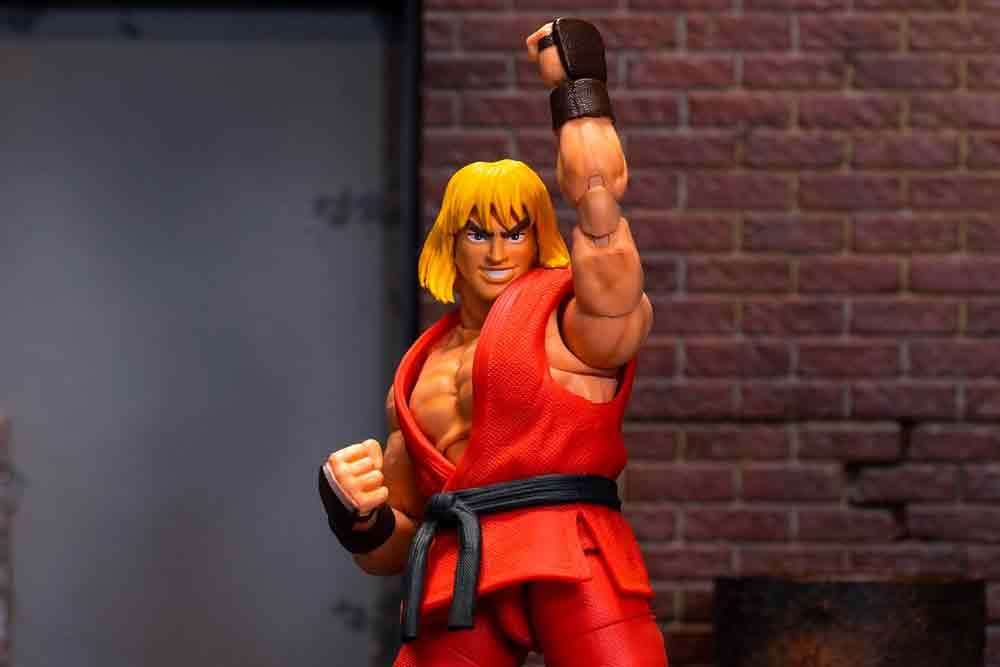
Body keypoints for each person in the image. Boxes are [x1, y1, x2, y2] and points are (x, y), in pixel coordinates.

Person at [318, 18, 668, 667]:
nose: (499, 251)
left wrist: (578, 93)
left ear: (540, 238)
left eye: (516, 231)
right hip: (462, 568)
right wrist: (356, 515)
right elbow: (396, 543)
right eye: (478, 234)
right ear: (450, 243)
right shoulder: (417, 374)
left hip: (570, 548)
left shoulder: (567, 321)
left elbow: (600, 211)